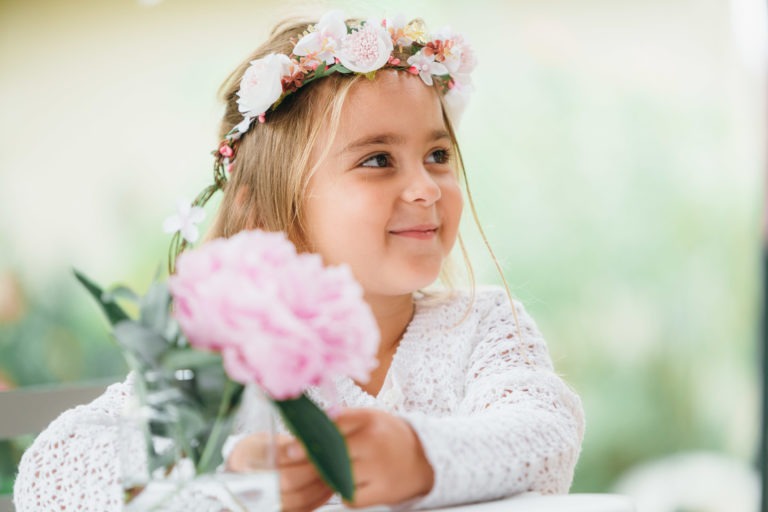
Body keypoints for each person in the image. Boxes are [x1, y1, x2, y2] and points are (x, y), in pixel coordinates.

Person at [13, 11, 585, 512]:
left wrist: (419, 458)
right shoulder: (230, 357)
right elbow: (51, 476)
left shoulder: (481, 328)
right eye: (379, 159)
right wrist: (234, 479)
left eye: (437, 154)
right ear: (266, 208)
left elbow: (545, 434)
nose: (426, 187)